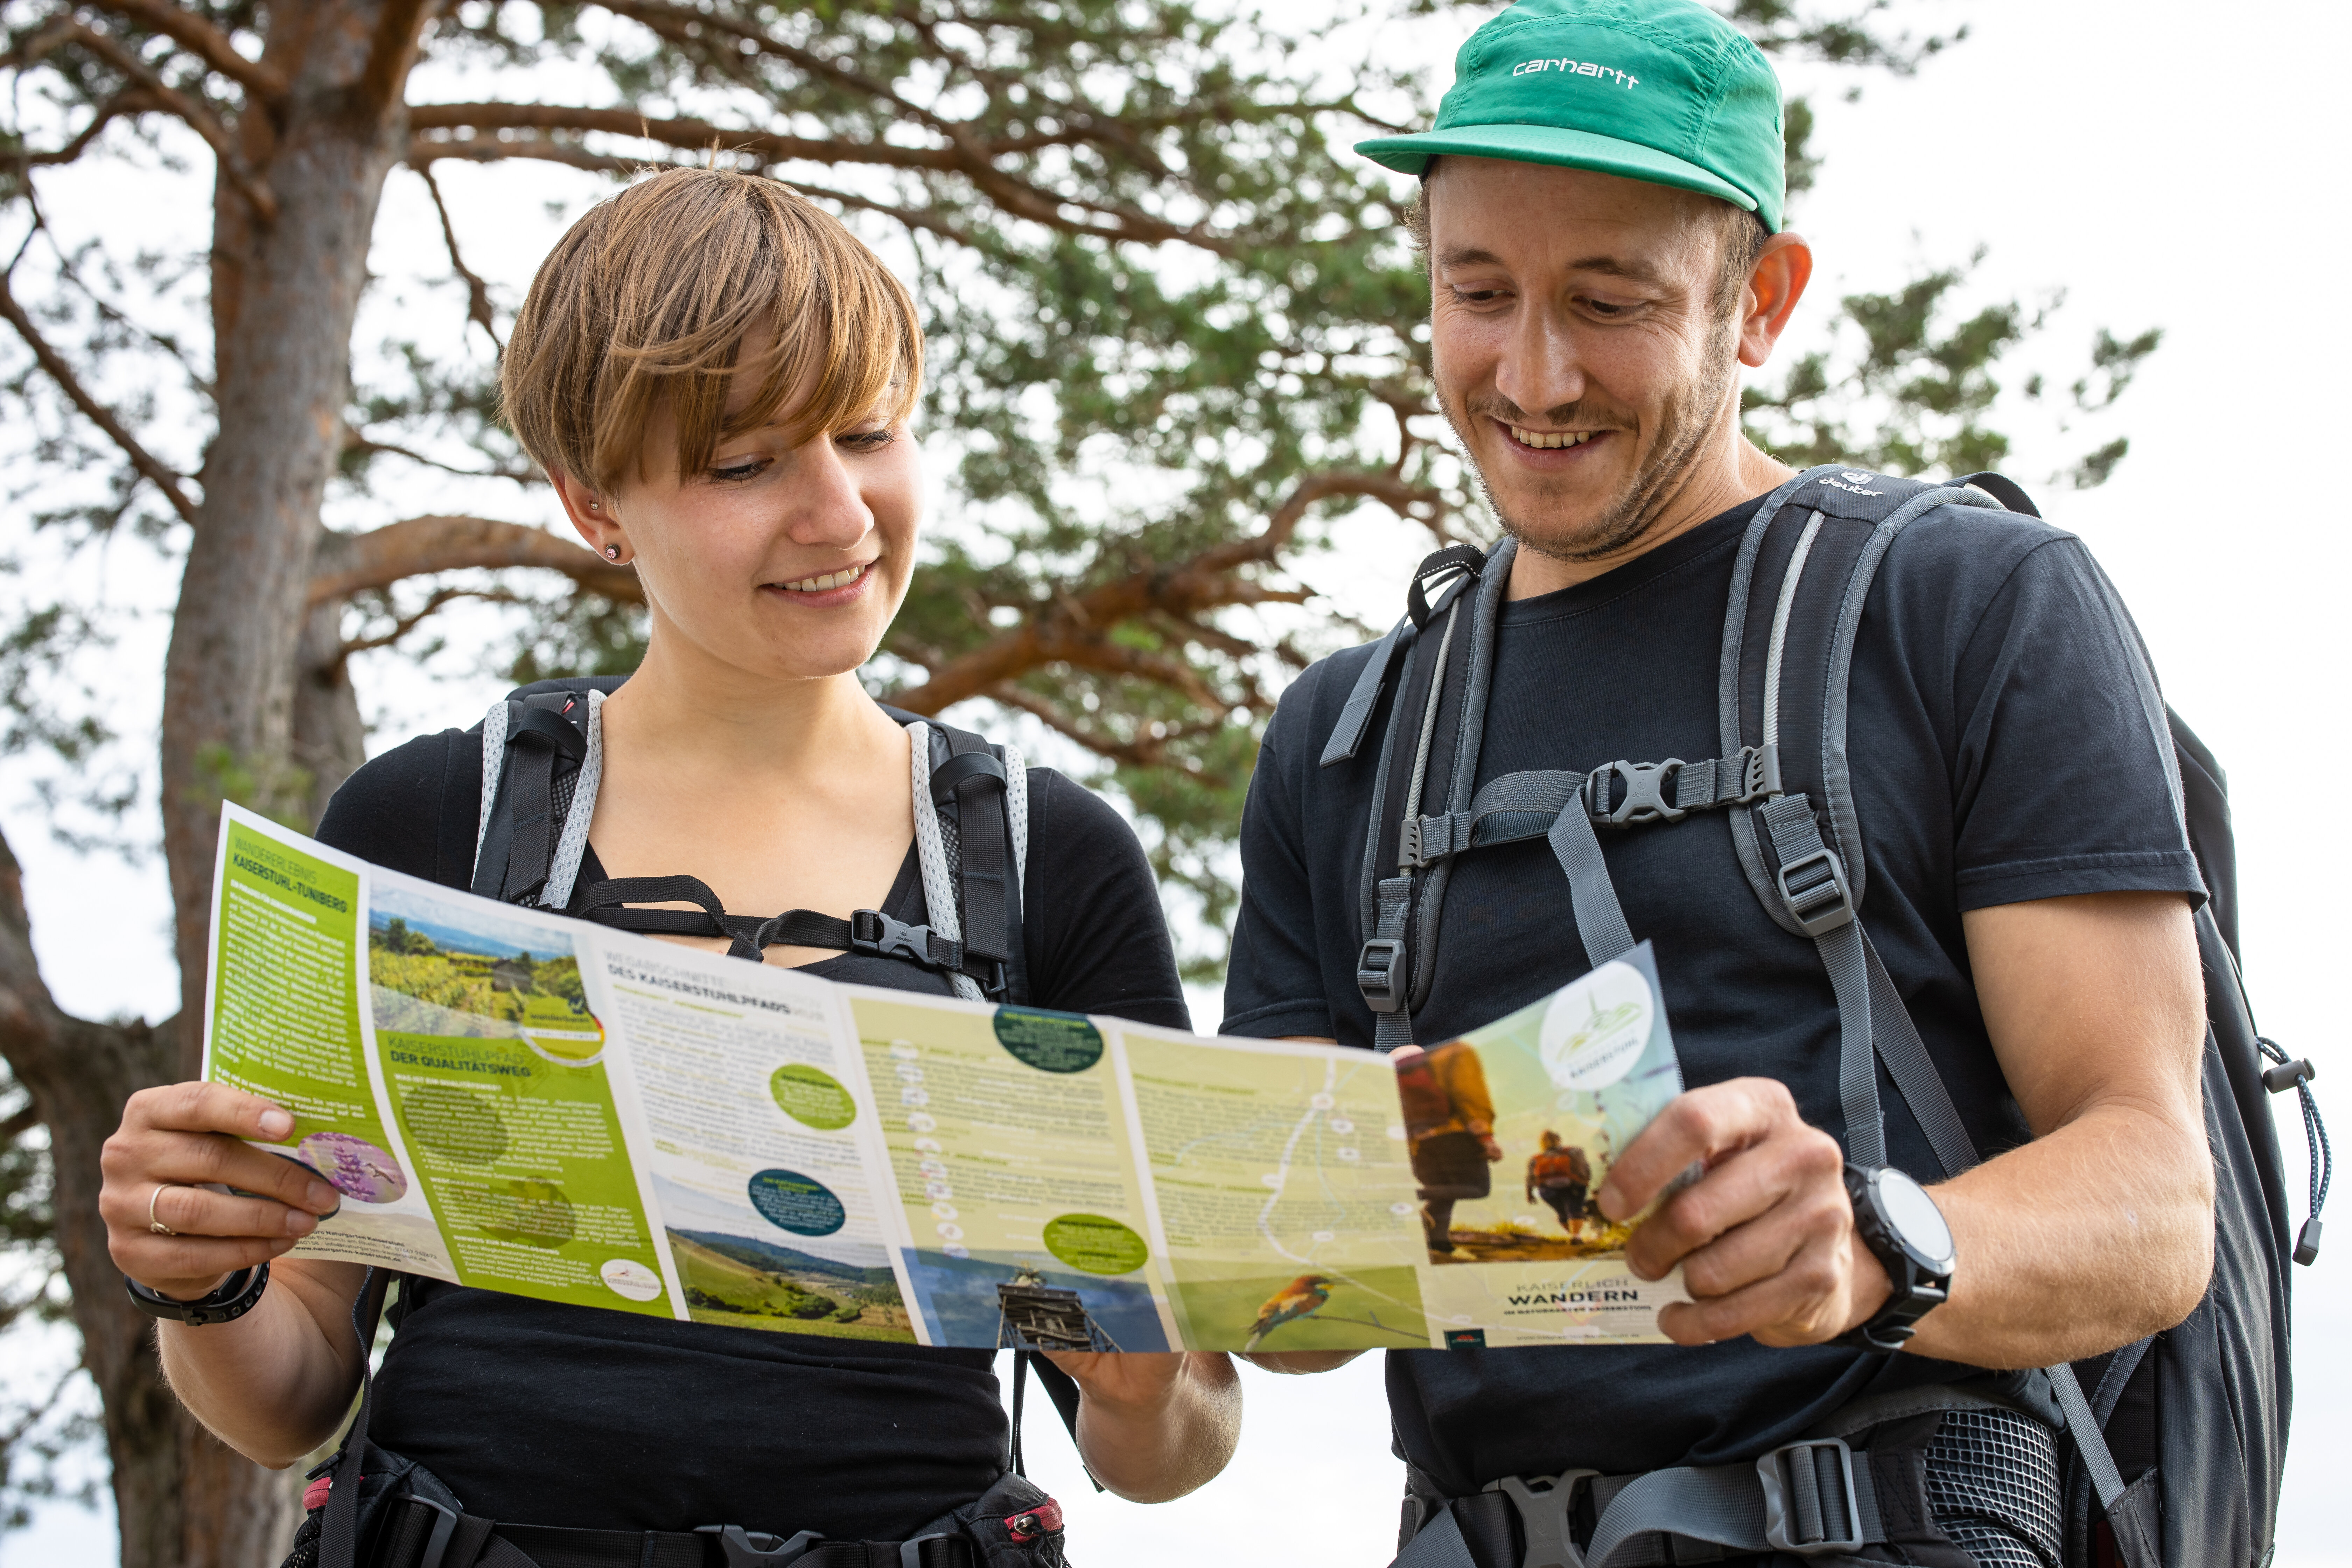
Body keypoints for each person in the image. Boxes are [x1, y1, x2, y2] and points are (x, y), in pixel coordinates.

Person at [99, 169, 1236, 1565]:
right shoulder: (428, 823)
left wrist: (1147, 1377)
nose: (837, 511)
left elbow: (1173, 1446)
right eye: (746, 463)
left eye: (869, 432)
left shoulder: (1049, 858)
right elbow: (293, 1394)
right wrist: (204, 1280)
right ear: (594, 504)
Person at [1222, 2, 2213, 1563]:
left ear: (1758, 300)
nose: (1528, 372)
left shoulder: (1969, 604)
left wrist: (1881, 1239)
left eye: (1605, 301)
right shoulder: (1346, 733)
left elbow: (2155, 1197)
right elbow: (1287, 1311)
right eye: (1473, 292)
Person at [1396, 1041, 1502, 1261]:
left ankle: (1440, 1245)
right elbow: (1468, 1095)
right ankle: (1408, 1198)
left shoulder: (1398, 1065)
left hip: (1419, 1143)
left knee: (1445, 1193)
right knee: (1478, 1188)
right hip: (1454, 1136)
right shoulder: (1455, 1051)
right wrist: (1486, 1138)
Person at [1524, 1131, 1591, 1239]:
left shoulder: (1536, 1159)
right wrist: (1585, 1183)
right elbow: (1584, 1169)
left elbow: (1530, 1179)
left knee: (1562, 1212)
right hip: (1573, 1187)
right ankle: (1576, 1236)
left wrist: (1529, 1194)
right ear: (1559, 1140)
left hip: (1548, 1191)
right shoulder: (1574, 1152)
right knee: (1575, 1208)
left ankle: (1574, 1236)